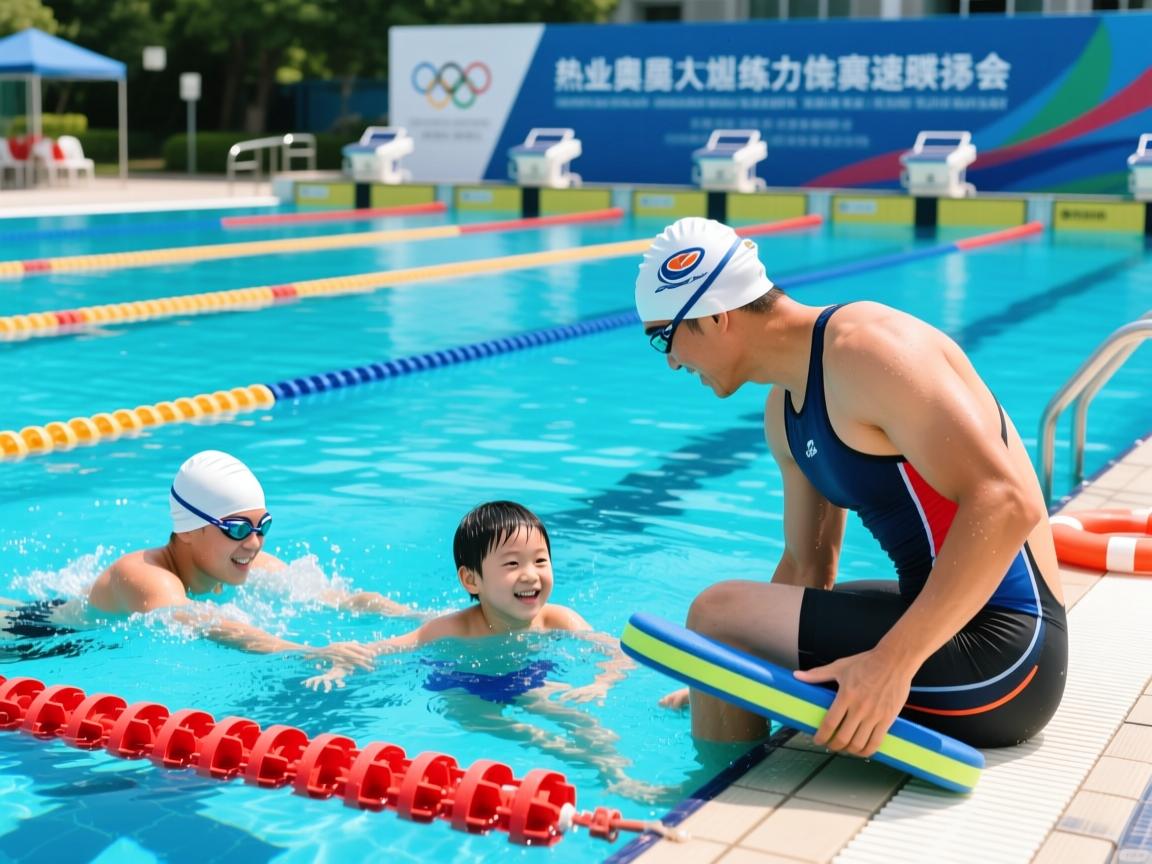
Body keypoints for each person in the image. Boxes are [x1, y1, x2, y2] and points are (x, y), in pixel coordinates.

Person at [635, 217, 1067, 756]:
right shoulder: (785, 410)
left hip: (1008, 658)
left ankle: (708, 798)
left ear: (716, 315)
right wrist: (725, 664)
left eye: (664, 337)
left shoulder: (867, 351)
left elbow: (1007, 502)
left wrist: (891, 664)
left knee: (715, 612)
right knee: (723, 628)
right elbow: (807, 567)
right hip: (943, 626)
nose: (671, 361)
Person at [87, 449, 415, 667]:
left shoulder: (242, 562)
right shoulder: (145, 576)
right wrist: (308, 653)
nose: (254, 543)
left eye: (263, 526)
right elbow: (202, 621)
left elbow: (335, 598)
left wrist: (417, 617)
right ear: (188, 530)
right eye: (238, 529)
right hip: (61, 642)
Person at [306, 500, 630, 702]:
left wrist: (602, 683)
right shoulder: (452, 629)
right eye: (512, 563)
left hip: (503, 652)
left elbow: (619, 653)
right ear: (471, 580)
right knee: (414, 617)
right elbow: (382, 648)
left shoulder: (559, 619)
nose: (530, 575)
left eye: (540, 561)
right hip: (467, 656)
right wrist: (343, 662)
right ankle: (368, 602)